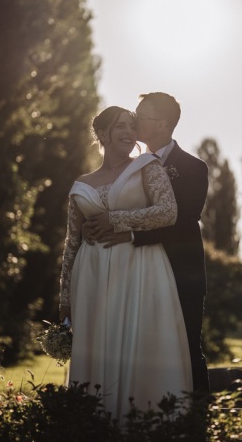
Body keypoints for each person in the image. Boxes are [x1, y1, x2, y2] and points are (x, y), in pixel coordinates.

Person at [58, 106, 192, 422]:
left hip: (139, 268)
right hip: (90, 276)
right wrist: (65, 299)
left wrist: (115, 220)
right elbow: (71, 243)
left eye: (132, 126)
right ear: (101, 134)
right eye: (120, 126)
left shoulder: (148, 166)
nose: (129, 133)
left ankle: (146, 422)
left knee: (140, 345)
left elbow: (167, 212)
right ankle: (94, 425)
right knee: (96, 352)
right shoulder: (81, 183)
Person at [87, 92, 210, 397]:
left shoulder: (194, 168)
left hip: (181, 270)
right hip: (136, 270)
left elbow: (181, 220)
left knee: (186, 345)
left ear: (163, 124)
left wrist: (128, 231)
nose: (134, 121)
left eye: (141, 116)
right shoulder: (129, 167)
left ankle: (196, 418)